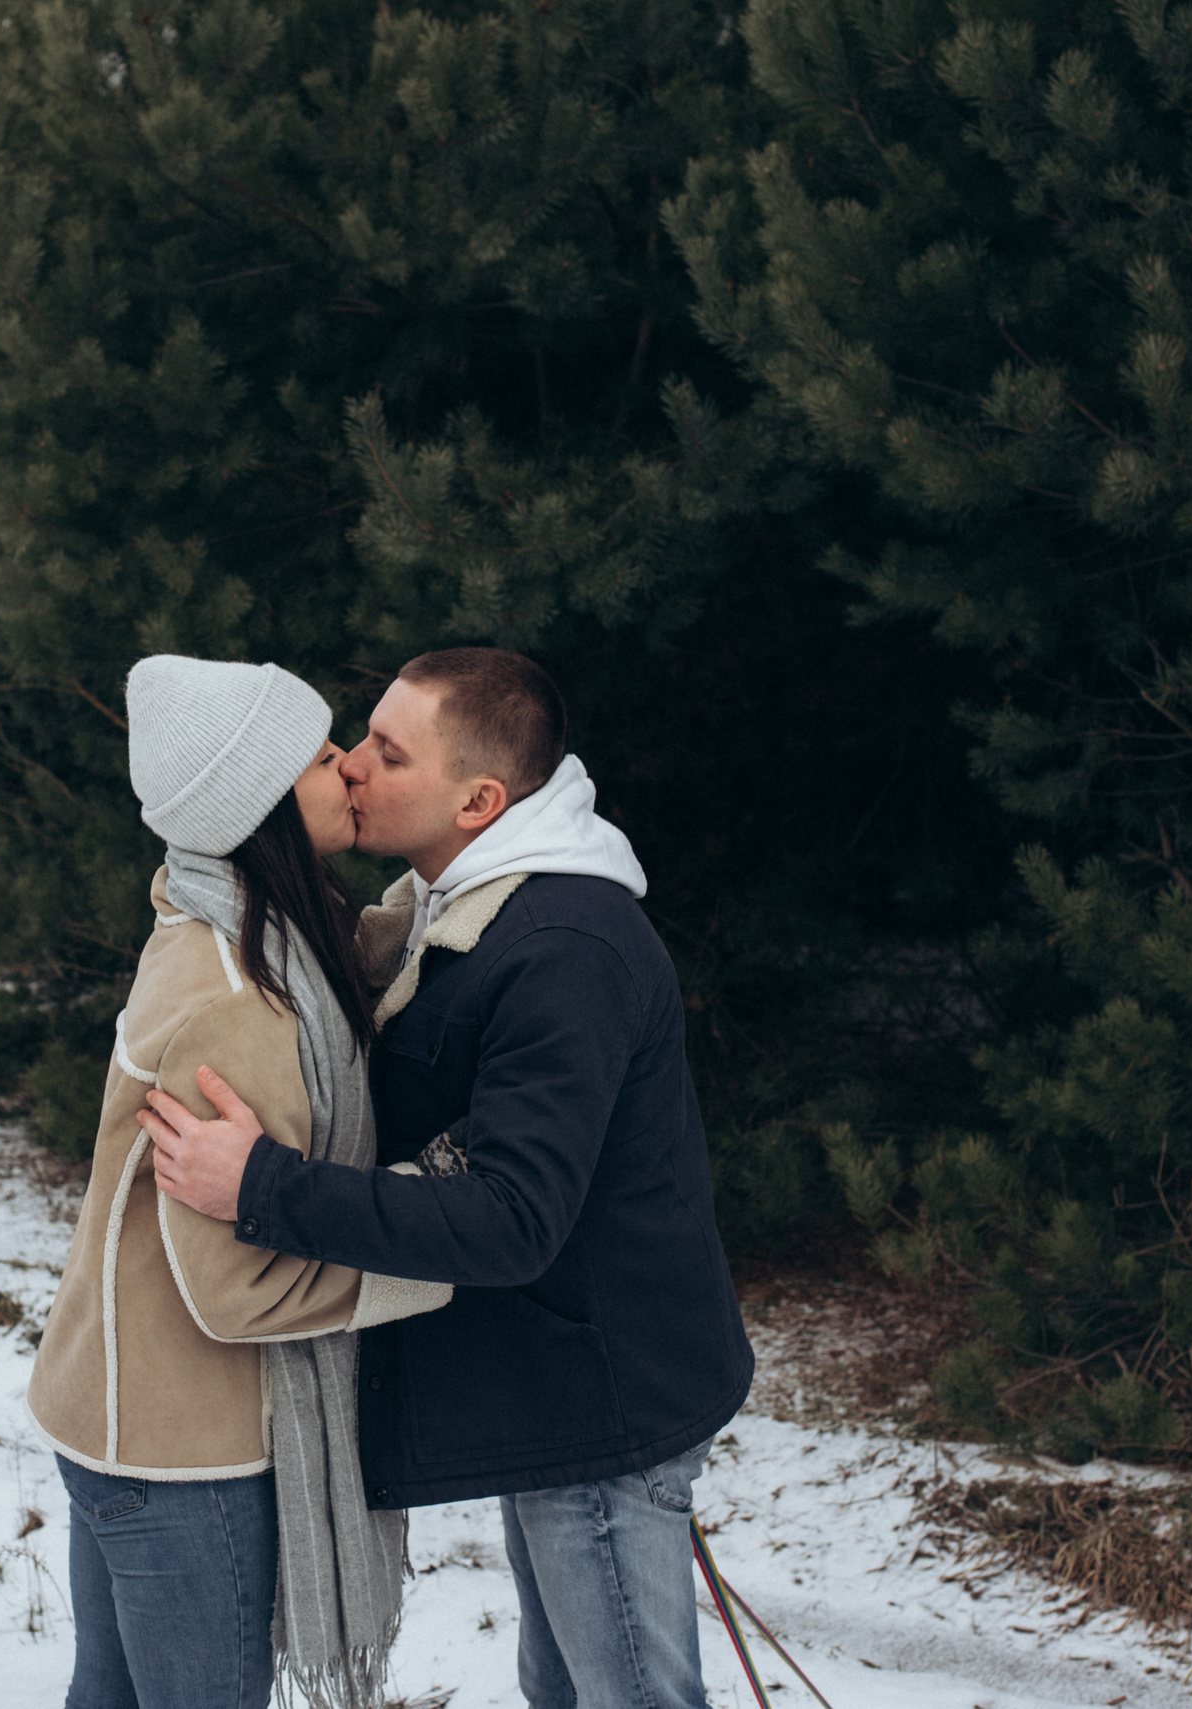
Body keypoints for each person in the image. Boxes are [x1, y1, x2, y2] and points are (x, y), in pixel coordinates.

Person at [142, 647, 756, 1709]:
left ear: (478, 800)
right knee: (562, 1687)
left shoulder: (562, 947)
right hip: (558, 1384)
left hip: (603, 1404)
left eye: (389, 753)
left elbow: (513, 1216)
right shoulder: (462, 908)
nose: (351, 764)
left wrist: (265, 1187)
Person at [26, 654, 453, 1709]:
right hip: (181, 1450)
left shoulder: (225, 920)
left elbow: (359, 951)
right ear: (258, 804)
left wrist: (464, 871)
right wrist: (441, 1254)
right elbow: (237, 1290)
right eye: (320, 755)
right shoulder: (237, 999)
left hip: (118, 1416)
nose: (349, 764)